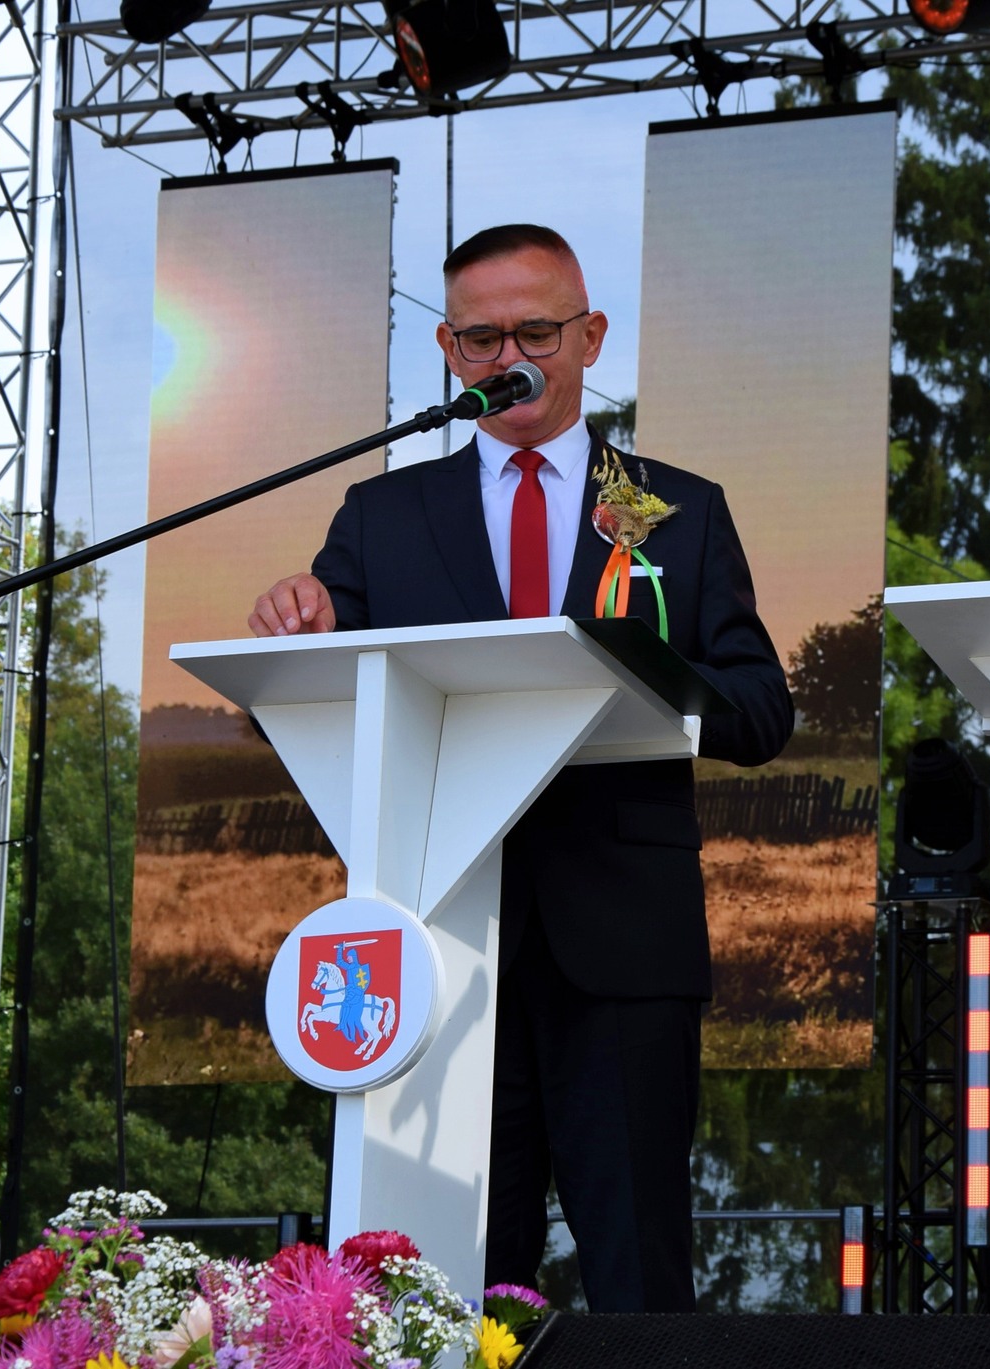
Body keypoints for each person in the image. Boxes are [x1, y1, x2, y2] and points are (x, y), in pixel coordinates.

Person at [248, 224, 794, 1312]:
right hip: (437, 950)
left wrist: (639, 670)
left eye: (536, 333)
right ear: (447, 350)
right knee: (439, 1283)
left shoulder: (677, 508)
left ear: (590, 336)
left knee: (637, 1274)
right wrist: (297, 633)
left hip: (622, 946)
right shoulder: (382, 516)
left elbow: (760, 708)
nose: (510, 361)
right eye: (480, 340)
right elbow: (305, 709)